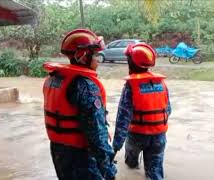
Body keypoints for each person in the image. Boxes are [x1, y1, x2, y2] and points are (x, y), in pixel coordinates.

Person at [43, 29, 116, 180]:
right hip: (80, 155)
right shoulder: (86, 86)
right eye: (95, 55)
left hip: (58, 151)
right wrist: (109, 170)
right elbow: (96, 135)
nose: (98, 60)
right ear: (83, 57)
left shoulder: (54, 78)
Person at [112, 43, 171, 180]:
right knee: (155, 173)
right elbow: (168, 109)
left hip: (137, 135)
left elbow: (123, 118)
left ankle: (132, 165)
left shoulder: (131, 86)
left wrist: (115, 147)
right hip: (159, 136)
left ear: (131, 63)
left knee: (130, 163)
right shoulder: (160, 83)